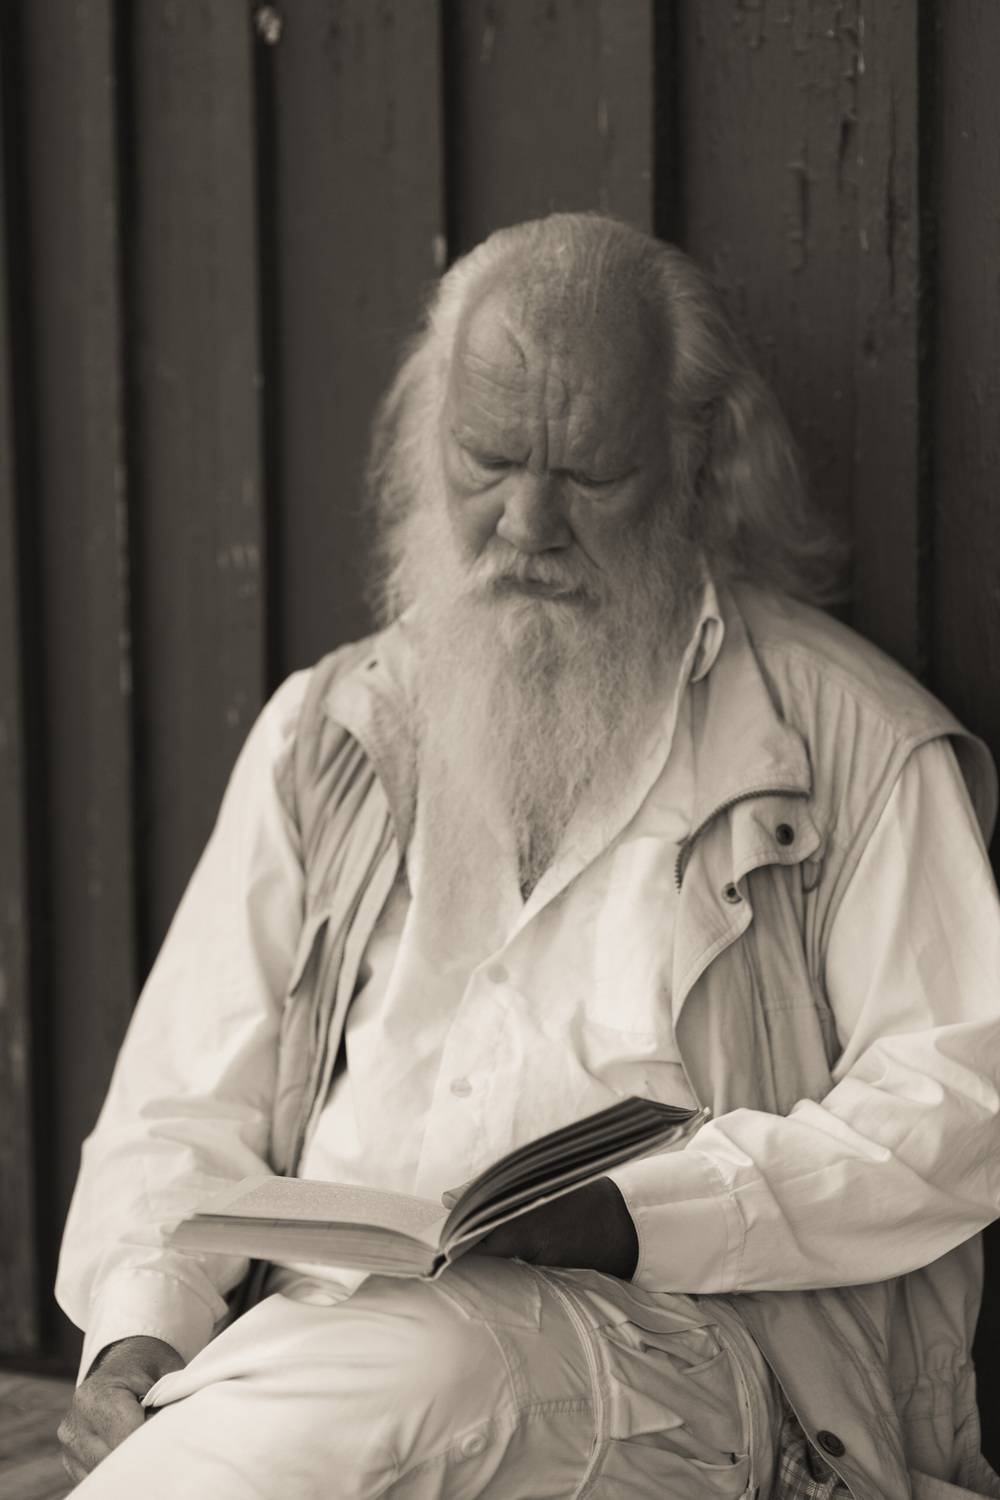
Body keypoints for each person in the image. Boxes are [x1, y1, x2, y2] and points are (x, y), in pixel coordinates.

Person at [56, 213, 1000, 1499]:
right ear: (424, 442)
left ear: (697, 461)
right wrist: (140, 1336)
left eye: (590, 475)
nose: (529, 522)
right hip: (312, 1356)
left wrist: (637, 1216)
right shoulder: (330, 732)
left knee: (421, 1366)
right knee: (354, 1379)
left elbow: (962, 1103)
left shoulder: (845, 743)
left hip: (687, 1366)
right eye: (489, 460)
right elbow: (180, 1104)